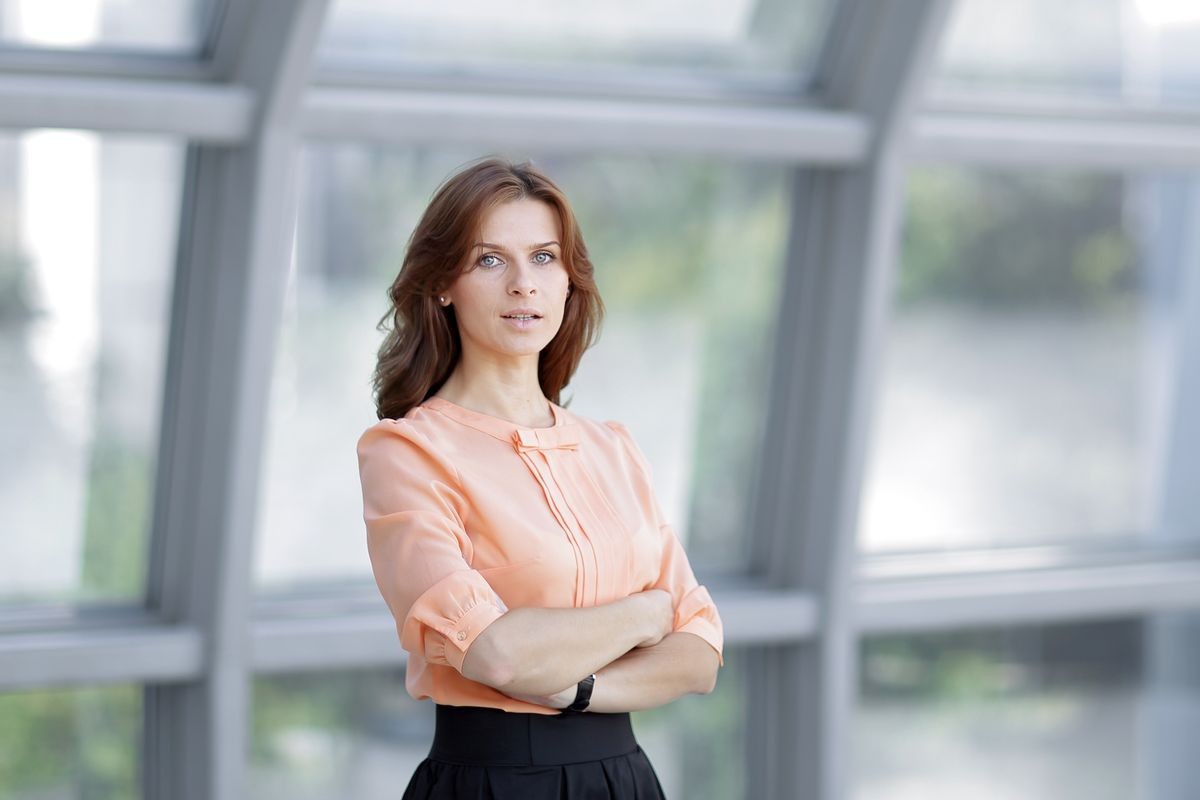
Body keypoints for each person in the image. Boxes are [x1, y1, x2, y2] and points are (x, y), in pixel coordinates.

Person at [355, 155, 724, 799]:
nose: (524, 284)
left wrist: (575, 689)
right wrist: (646, 612)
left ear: (568, 281)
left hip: (625, 781)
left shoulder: (612, 448)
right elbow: (495, 654)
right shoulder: (408, 452)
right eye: (490, 260)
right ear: (443, 282)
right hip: (493, 783)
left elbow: (698, 655)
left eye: (545, 258)